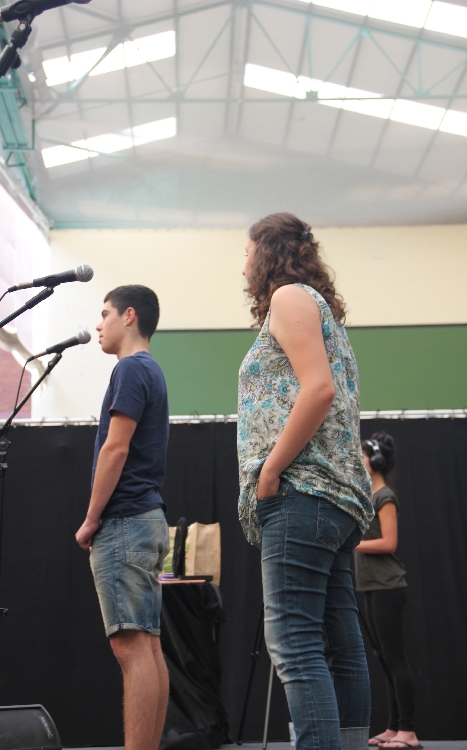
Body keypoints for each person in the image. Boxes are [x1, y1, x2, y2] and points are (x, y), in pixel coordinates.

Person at [237, 212, 374, 750]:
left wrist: (271, 470)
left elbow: (318, 389)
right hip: (332, 498)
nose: (242, 265)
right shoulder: (319, 308)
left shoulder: (289, 298)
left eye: (247, 252)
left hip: (302, 491)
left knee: (295, 643)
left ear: (267, 252)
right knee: (341, 644)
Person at [75, 285, 170, 750]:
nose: (98, 324)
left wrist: (91, 518)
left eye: (105, 313)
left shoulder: (130, 369)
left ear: (129, 316)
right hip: (146, 520)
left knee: (131, 648)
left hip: (125, 521)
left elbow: (115, 448)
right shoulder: (151, 370)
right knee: (147, 645)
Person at [354, 433, 422, 750]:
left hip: (388, 586)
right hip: (370, 586)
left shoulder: (385, 497)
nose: (359, 460)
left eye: (363, 455)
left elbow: (389, 543)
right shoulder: (366, 495)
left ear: (376, 462)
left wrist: (353, 543)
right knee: (384, 660)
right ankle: (394, 727)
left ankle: (408, 732)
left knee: (395, 660)